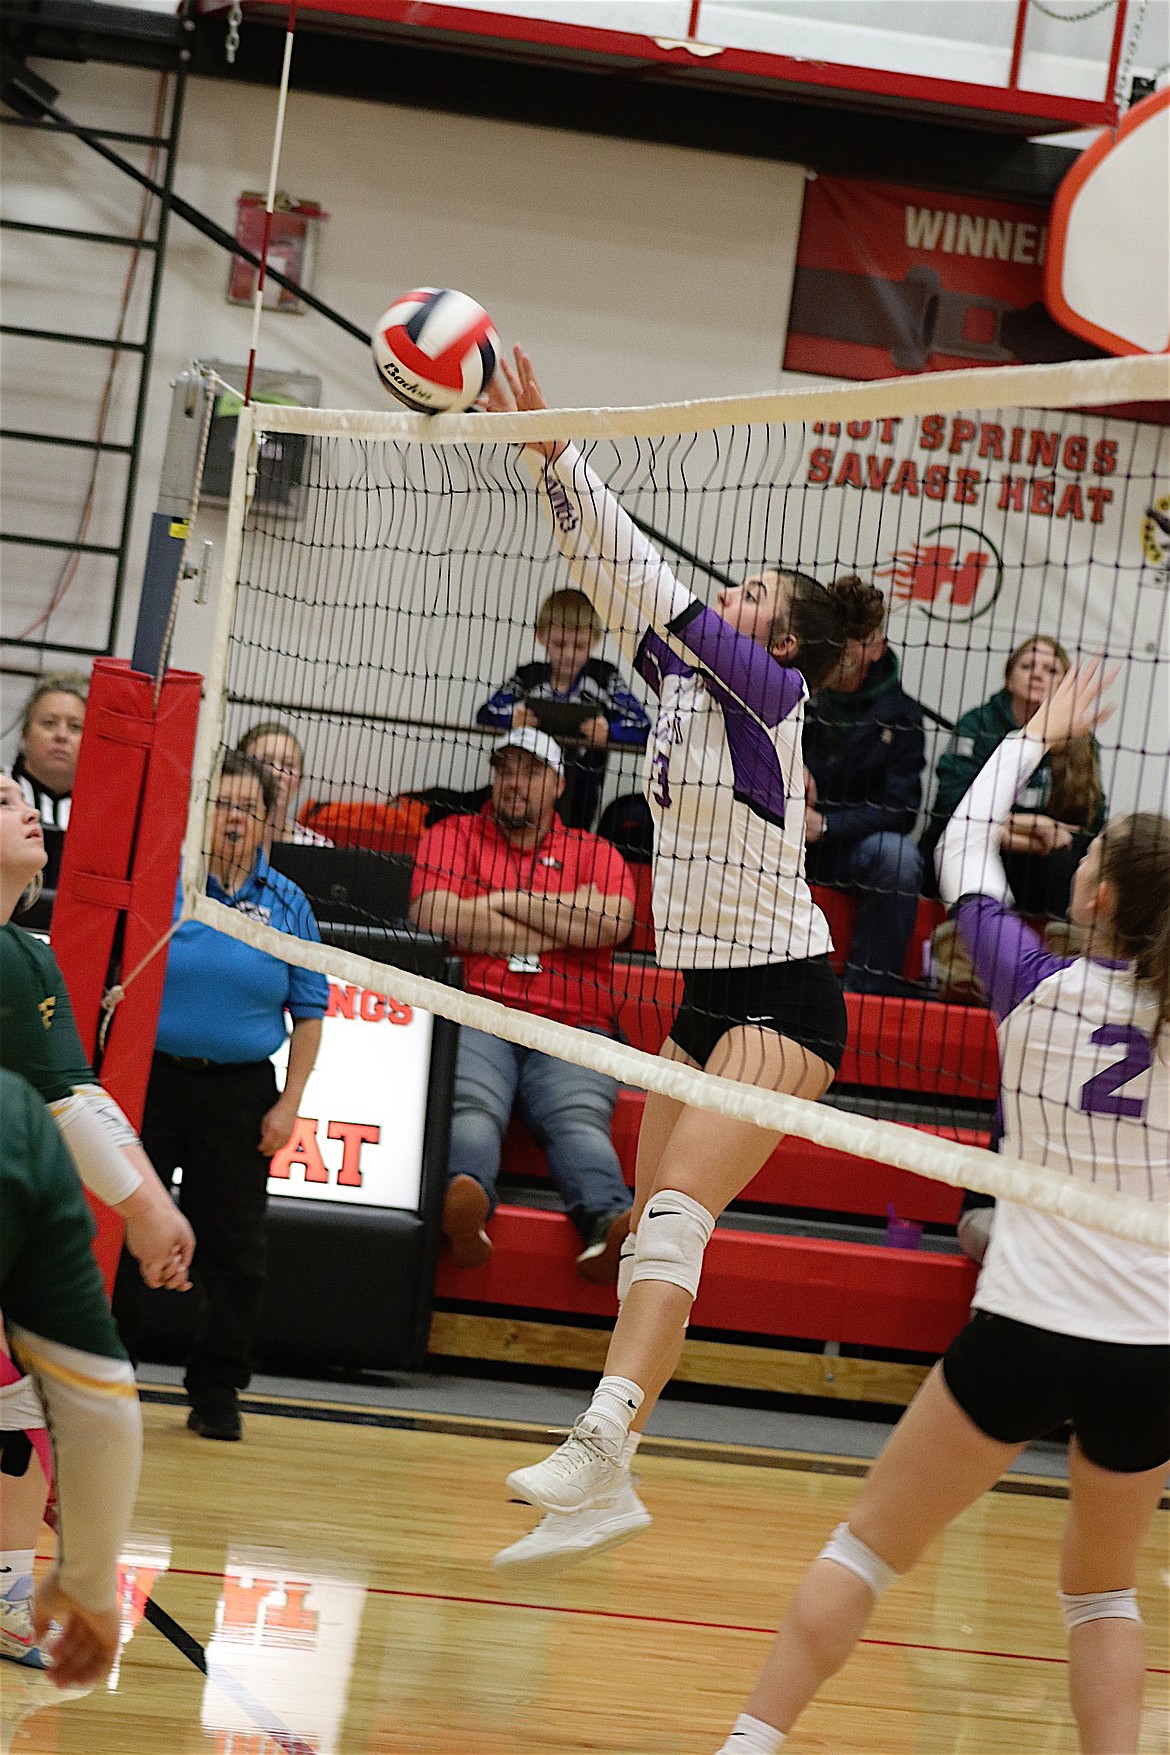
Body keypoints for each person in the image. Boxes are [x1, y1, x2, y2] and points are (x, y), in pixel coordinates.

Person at [713, 660, 1168, 1755]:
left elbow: (963, 843)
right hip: (1150, 1350)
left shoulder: (1033, 980)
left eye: (1089, 858)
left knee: (869, 1550)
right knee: (1102, 1598)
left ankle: (749, 1745)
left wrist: (1033, 739)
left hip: (1020, 1329)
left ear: (1094, 897)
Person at [485, 348, 856, 1572]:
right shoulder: (684, 681)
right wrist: (543, 459)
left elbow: (645, 580)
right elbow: (606, 572)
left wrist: (560, 444)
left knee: (682, 1217)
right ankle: (610, 1488)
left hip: (787, 1000)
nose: (728, 597)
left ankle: (598, 1440)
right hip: (707, 991)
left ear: (780, 637)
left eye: (750, 590)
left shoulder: (766, 695)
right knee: (649, 1221)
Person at [0, 771, 193, 1669]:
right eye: (0, 803)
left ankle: (7, 1598)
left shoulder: (27, 956)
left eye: (21, 796)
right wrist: (147, 1206)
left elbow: (73, 1090)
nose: (27, 807)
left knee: (20, 1404)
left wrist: (150, 1198)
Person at [113, 750, 328, 1443]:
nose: (233, 818)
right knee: (123, 1228)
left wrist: (289, 1101)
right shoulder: (164, 882)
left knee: (234, 1247)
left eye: (247, 807)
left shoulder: (289, 902)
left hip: (239, 1093)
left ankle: (215, 1389)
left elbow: (311, 1010)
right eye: (222, 804)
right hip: (149, 1079)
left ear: (269, 820)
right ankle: (109, 1375)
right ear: (203, 811)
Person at [410, 726, 636, 1284]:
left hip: (572, 1024)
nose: (514, 782)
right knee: (472, 1108)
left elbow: (612, 922)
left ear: (558, 784)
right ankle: (465, 1207)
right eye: (505, 768)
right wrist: (564, 920)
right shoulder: (451, 833)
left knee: (579, 1121)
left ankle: (607, 1225)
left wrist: (506, 903)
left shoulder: (595, 851)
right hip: (477, 1011)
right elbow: (436, 915)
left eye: (530, 771)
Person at [0, 1068, 144, 1690]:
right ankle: (8, 1589)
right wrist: (87, 1576)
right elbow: (96, 1402)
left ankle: (8, 1588)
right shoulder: (25, 1120)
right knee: (23, 1389)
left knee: (20, 1388)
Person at [920, 635, 1106, 921]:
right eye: (1028, 665)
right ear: (1008, 679)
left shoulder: (1081, 740)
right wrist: (1034, 827)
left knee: (1073, 856)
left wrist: (1041, 835)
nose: (1038, 674)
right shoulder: (976, 725)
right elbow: (952, 803)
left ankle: (1057, 946)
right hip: (979, 849)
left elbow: (1090, 820)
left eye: (1051, 670)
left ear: (1064, 687)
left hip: (1041, 863)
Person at [801, 583, 926, 993]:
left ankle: (864, 997)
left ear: (875, 648)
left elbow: (901, 809)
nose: (840, 652)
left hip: (851, 847)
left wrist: (828, 825)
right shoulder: (791, 689)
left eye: (852, 644)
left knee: (899, 858)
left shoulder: (903, 715)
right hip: (780, 833)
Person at [476, 587, 650, 828]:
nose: (568, 654)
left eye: (579, 646)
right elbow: (486, 714)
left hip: (583, 793)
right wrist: (512, 721)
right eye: (559, 644)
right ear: (541, 636)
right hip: (529, 790)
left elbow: (643, 727)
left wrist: (610, 732)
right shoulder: (529, 677)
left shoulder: (605, 677)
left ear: (596, 641)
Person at [10, 671, 88, 890]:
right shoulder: (2, 789)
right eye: (49, 723)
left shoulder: (105, 811)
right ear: (25, 735)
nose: (61, 735)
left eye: (75, 727)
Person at [236, 720, 332, 845]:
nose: (277, 773)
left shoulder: (318, 846)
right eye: (265, 762)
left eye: (288, 764)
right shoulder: (216, 839)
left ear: (300, 779)